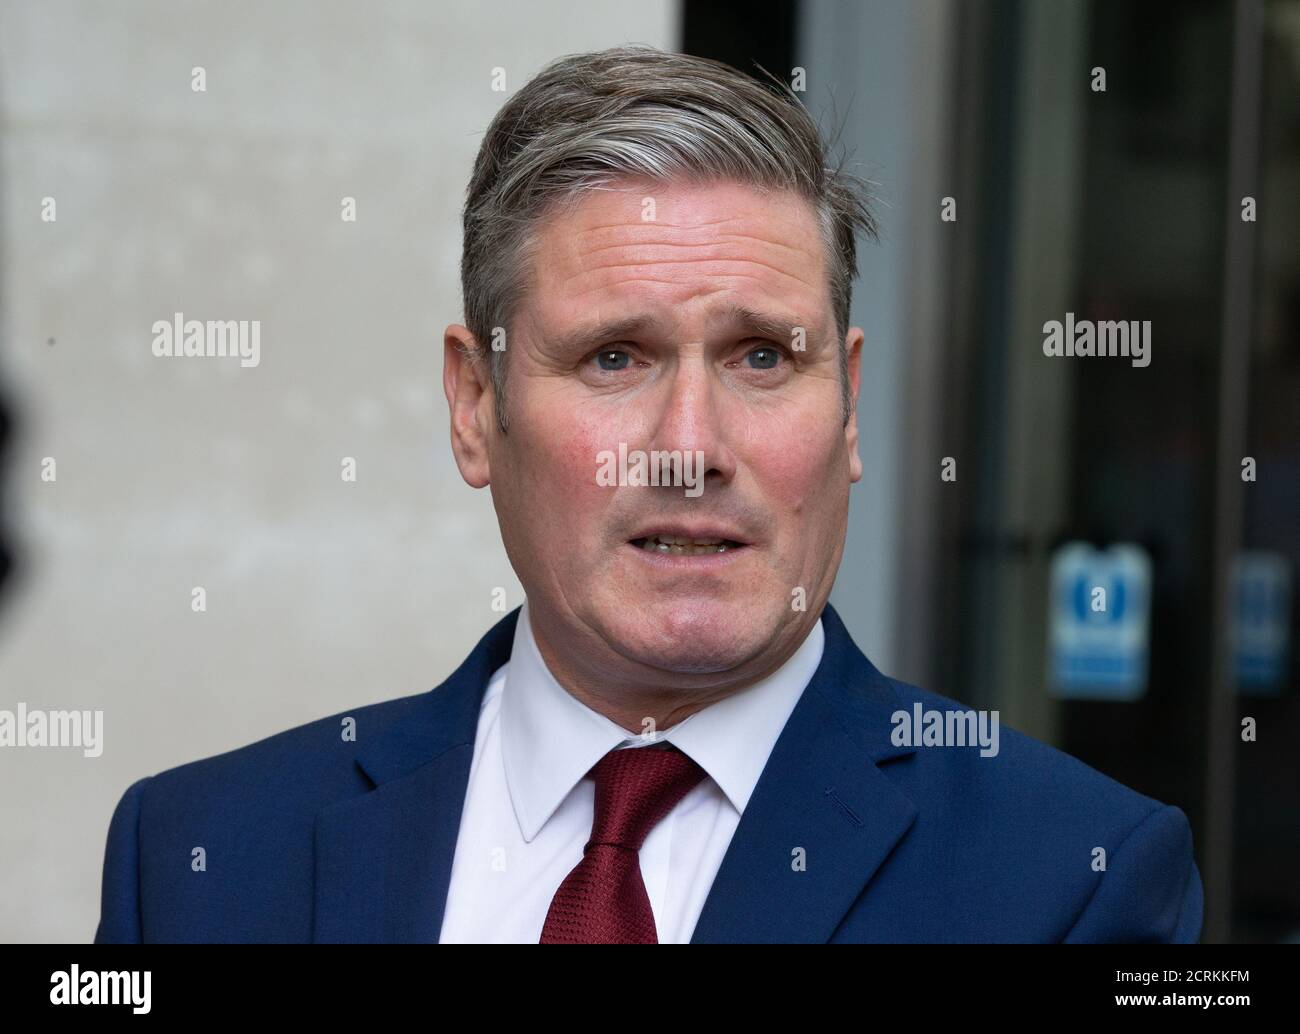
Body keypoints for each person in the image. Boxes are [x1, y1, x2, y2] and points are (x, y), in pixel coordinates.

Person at [95, 44, 1202, 944]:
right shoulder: (200, 858)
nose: (690, 447)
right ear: (476, 406)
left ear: (849, 406)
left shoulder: (1072, 880)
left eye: (762, 356)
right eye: (616, 357)